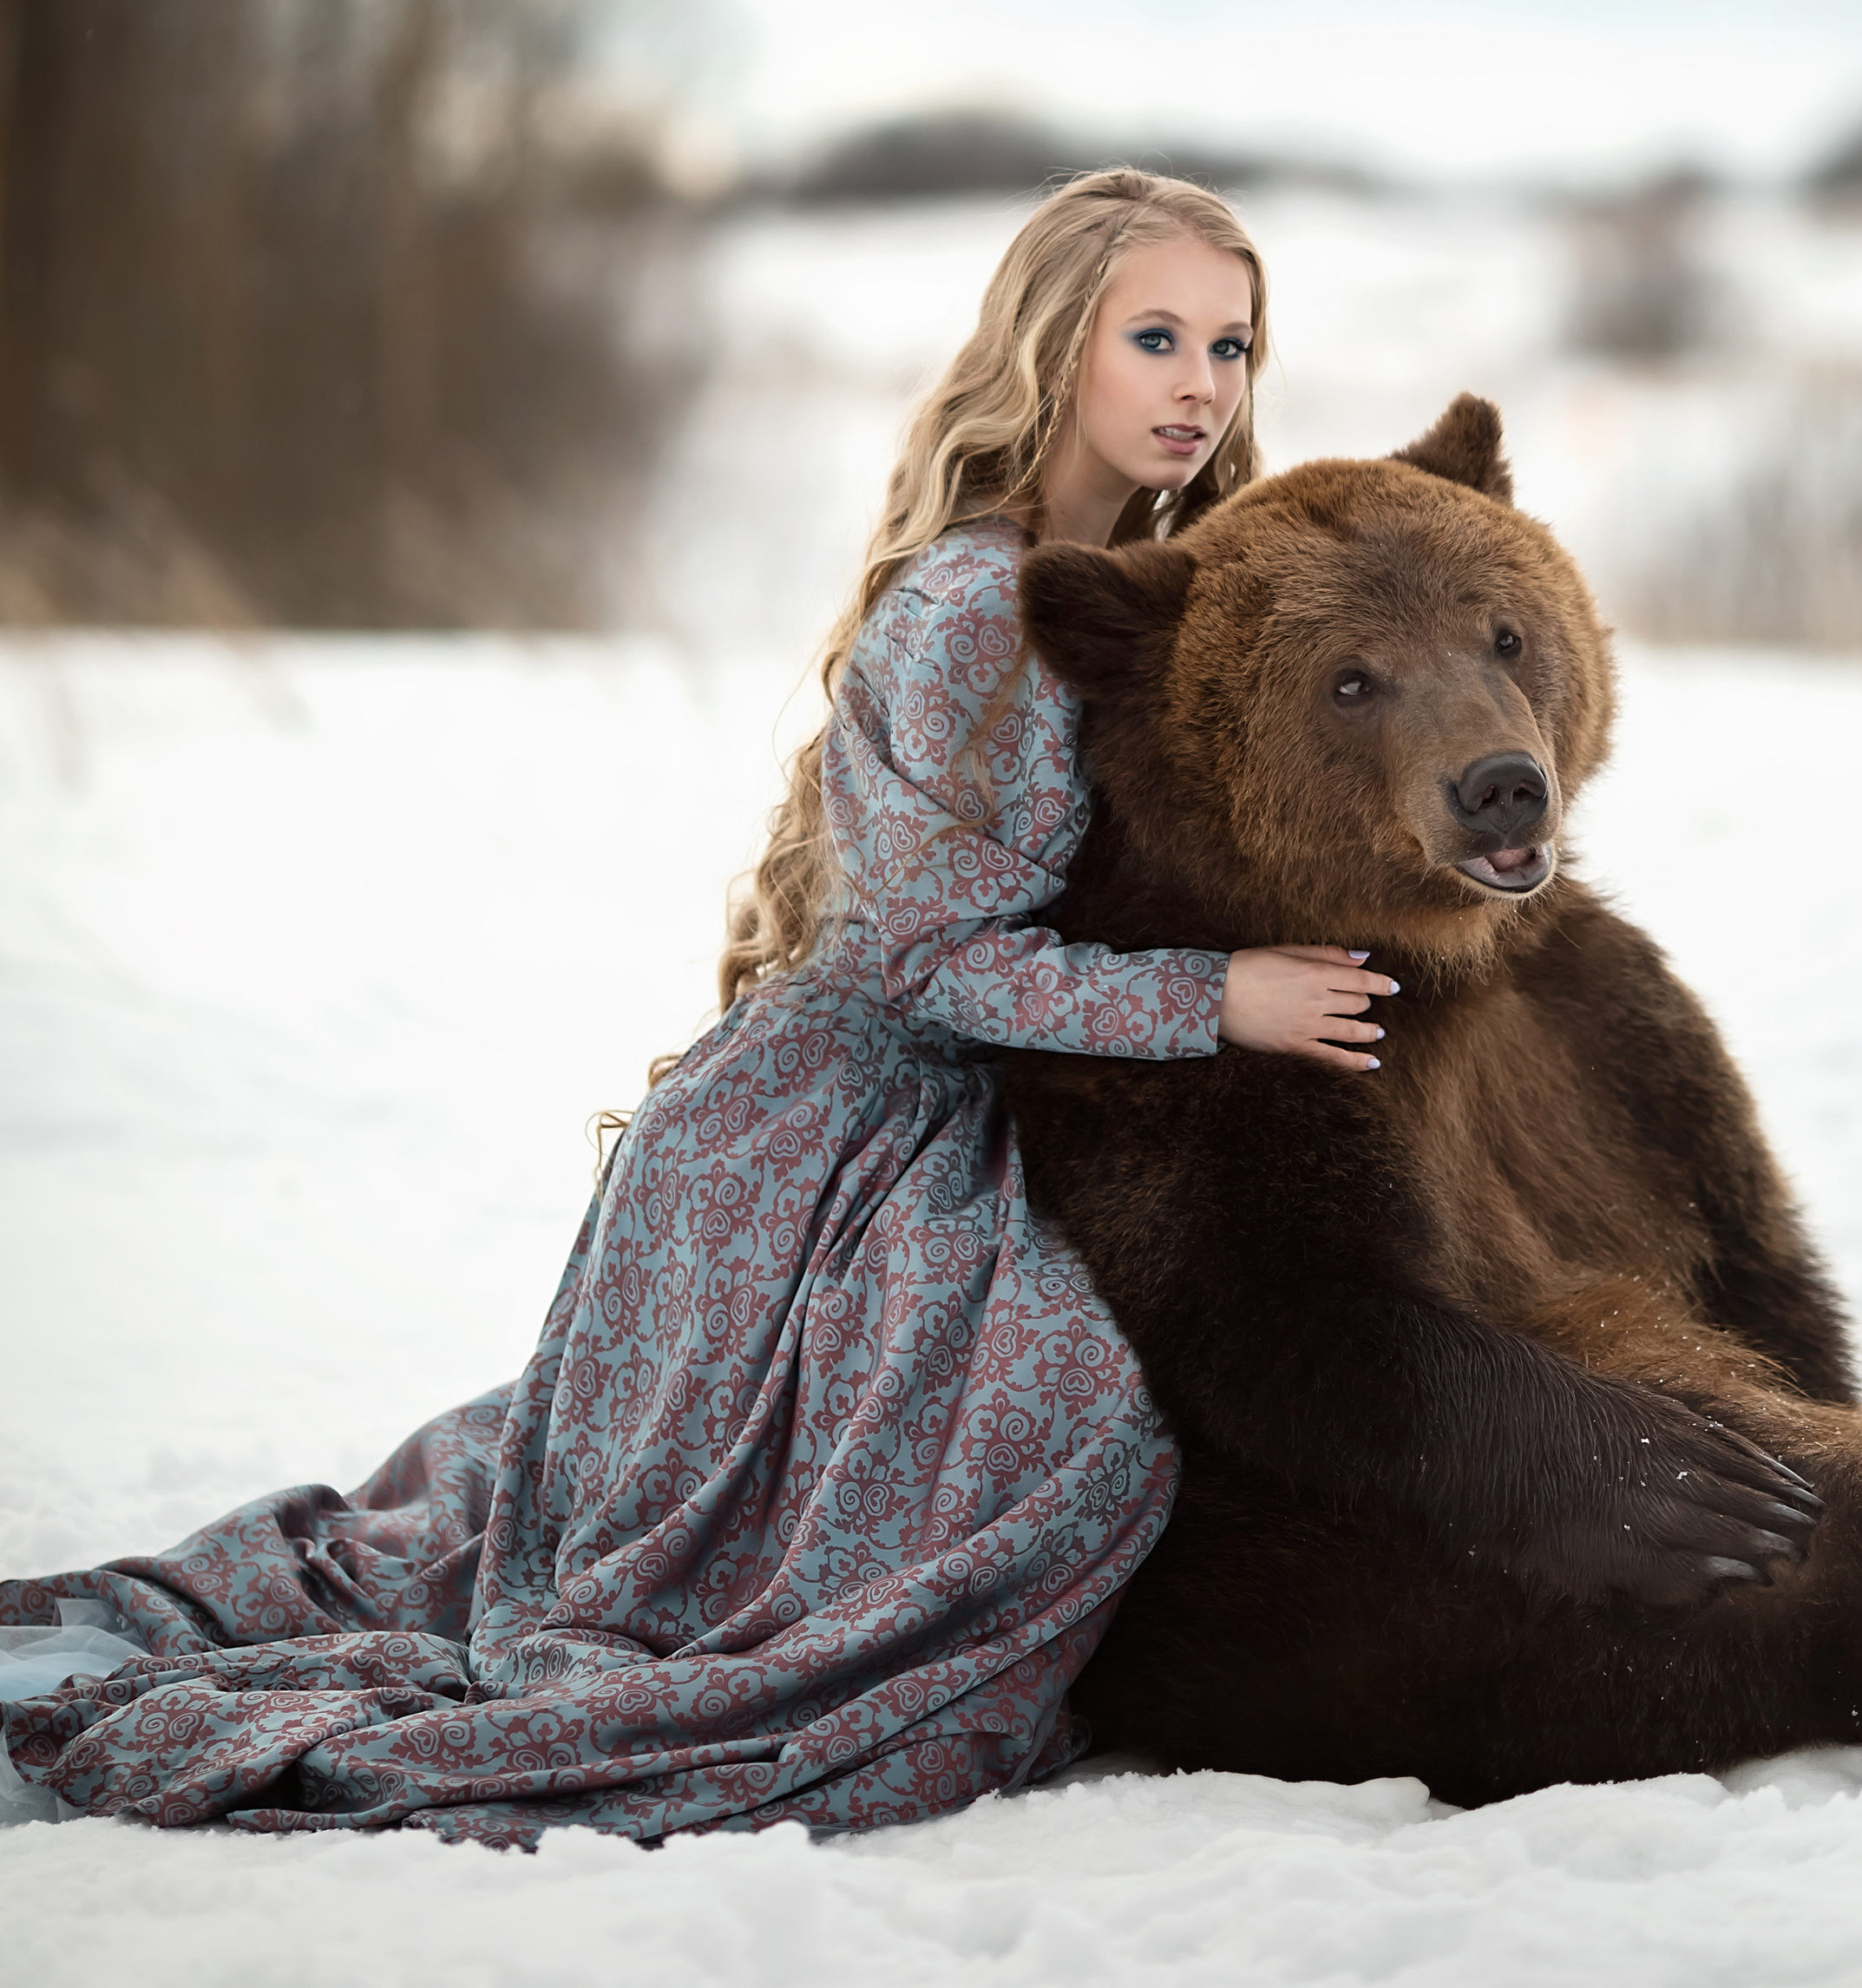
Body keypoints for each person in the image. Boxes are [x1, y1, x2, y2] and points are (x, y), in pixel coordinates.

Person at [0, 168, 1396, 1842]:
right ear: (1052, 347)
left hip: (1003, 1090)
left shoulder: (1156, 583)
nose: (1200, 386)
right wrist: (1217, 1000)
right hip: (849, 1122)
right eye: (1154, 337)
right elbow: (913, 962)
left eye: (1231, 348)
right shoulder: (972, 604)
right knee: (1080, 1425)